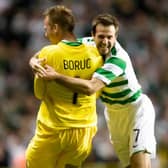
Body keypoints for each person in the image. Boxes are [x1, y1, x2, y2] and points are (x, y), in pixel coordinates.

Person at [31, 13, 156, 168]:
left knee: (139, 163)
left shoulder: (118, 59)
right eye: (101, 36)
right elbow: (51, 51)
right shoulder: (86, 44)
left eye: (110, 37)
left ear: (116, 37)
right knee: (129, 164)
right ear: (92, 36)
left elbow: (90, 88)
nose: (105, 42)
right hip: (113, 113)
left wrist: (56, 76)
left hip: (136, 110)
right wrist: (33, 61)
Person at [26, 5, 103, 168]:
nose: (45, 34)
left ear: (55, 28)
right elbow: (97, 92)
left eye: (46, 28)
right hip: (84, 130)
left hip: (54, 131)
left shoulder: (50, 53)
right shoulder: (94, 53)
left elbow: (39, 93)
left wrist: (34, 63)